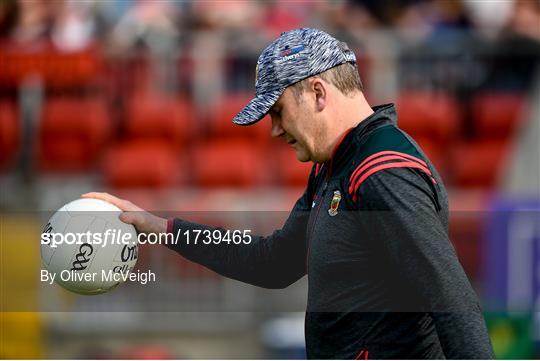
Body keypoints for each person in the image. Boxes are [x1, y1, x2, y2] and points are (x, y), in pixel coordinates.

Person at [83, 28, 494, 359]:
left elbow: (449, 295)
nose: (275, 129)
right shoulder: (334, 166)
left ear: (317, 92)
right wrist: (163, 228)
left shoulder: (382, 170)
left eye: (278, 110)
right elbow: (275, 262)